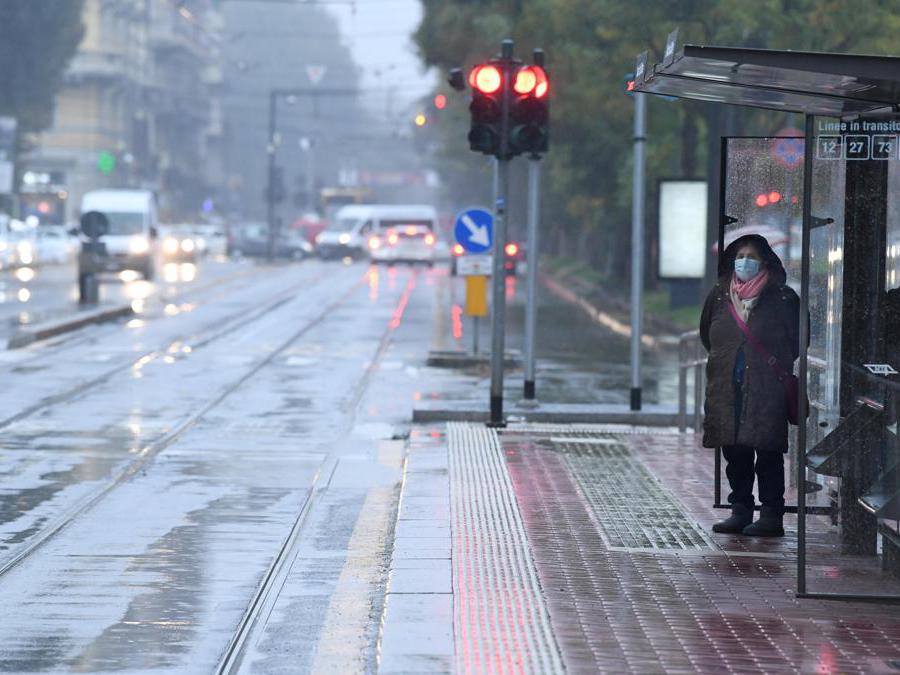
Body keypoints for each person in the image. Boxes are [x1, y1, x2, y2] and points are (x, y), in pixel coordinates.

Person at [700, 234, 800, 537]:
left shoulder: (783, 298)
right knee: (735, 452)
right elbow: (708, 335)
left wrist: (770, 366)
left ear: (765, 261)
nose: (744, 261)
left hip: (767, 389)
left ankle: (772, 515)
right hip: (727, 387)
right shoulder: (719, 296)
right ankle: (740, 509)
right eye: (739, 255)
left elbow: (798, 341)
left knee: (767, 452)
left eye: (751, 256)